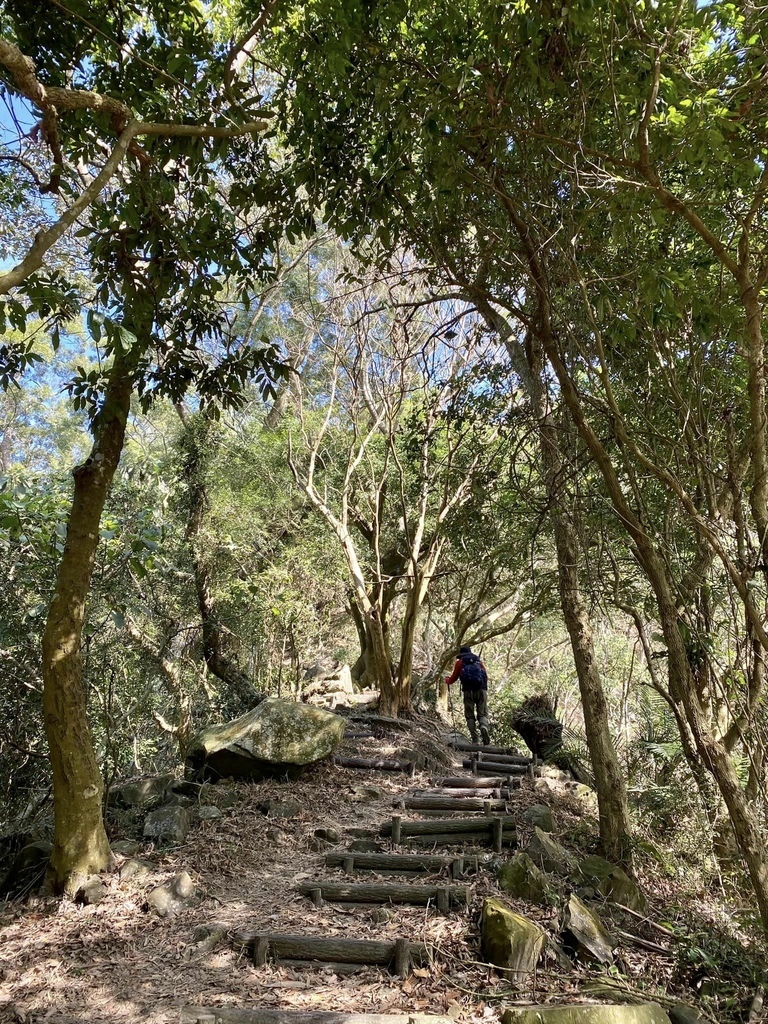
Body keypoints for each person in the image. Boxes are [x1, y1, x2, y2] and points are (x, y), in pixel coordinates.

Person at [445, 645, 490, 744]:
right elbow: (485, 676)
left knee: (469, 715)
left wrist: (447, 680)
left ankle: (475, 739)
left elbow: (453, 678)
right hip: (481, 690)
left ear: (461, 654)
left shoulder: (459, 663)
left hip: (468, 692)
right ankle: (483, 726)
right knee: (482, 713)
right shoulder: (478, 661)